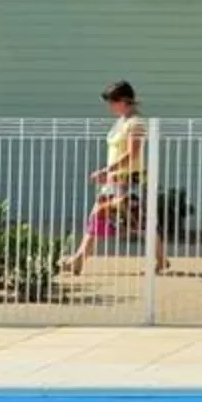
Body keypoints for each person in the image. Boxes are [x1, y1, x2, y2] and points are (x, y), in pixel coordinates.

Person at [63, 80, 167, 277]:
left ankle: (160, 259)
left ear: (124, 100)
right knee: (97, 217)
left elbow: (132, 154)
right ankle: (79, 259)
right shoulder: (122, 122)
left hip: (129, 182)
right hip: (114, 181)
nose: (109, 106)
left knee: (140, 221)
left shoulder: (135, 123)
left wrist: (107, 170)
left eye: (112, 101)